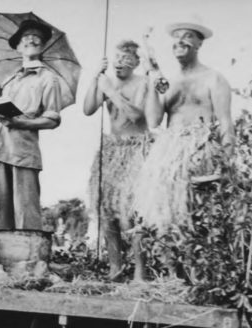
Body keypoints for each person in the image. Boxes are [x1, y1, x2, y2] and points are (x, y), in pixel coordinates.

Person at [134, 20, 234, 233]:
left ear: (199, 44)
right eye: (177, 36)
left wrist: (226, 161)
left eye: (188, 36)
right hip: (168, 157)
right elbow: (153, 121)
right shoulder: (168, 81)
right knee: (167, 221)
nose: (180, 40)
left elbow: (225, 121)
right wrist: (152, 76)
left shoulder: (214, 78)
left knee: (199, 218)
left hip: (200, 152)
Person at [0, 19, 62, 230]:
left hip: (23, 152)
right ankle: (0, 259)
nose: (31, 39)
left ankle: (29, 260)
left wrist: (20, 123)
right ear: (18, 46)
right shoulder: (10, 78)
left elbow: (52, 119)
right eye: (25, 37)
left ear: (44, 45)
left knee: (25, 210)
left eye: (37, 37)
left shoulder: (48, 79)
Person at [83, 40, 150, 280]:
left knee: (130, 213)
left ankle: (140, 272)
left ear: (136, 62)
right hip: (111, 149)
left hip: (135, 150)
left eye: (126, 58)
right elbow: (88, 109)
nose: (120, 62)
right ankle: (116, 266)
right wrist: (95, 78)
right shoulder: (107, 81)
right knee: (105, 209)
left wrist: (111, 91)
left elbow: (135, 115)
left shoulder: (143, 83)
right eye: (117, 57)